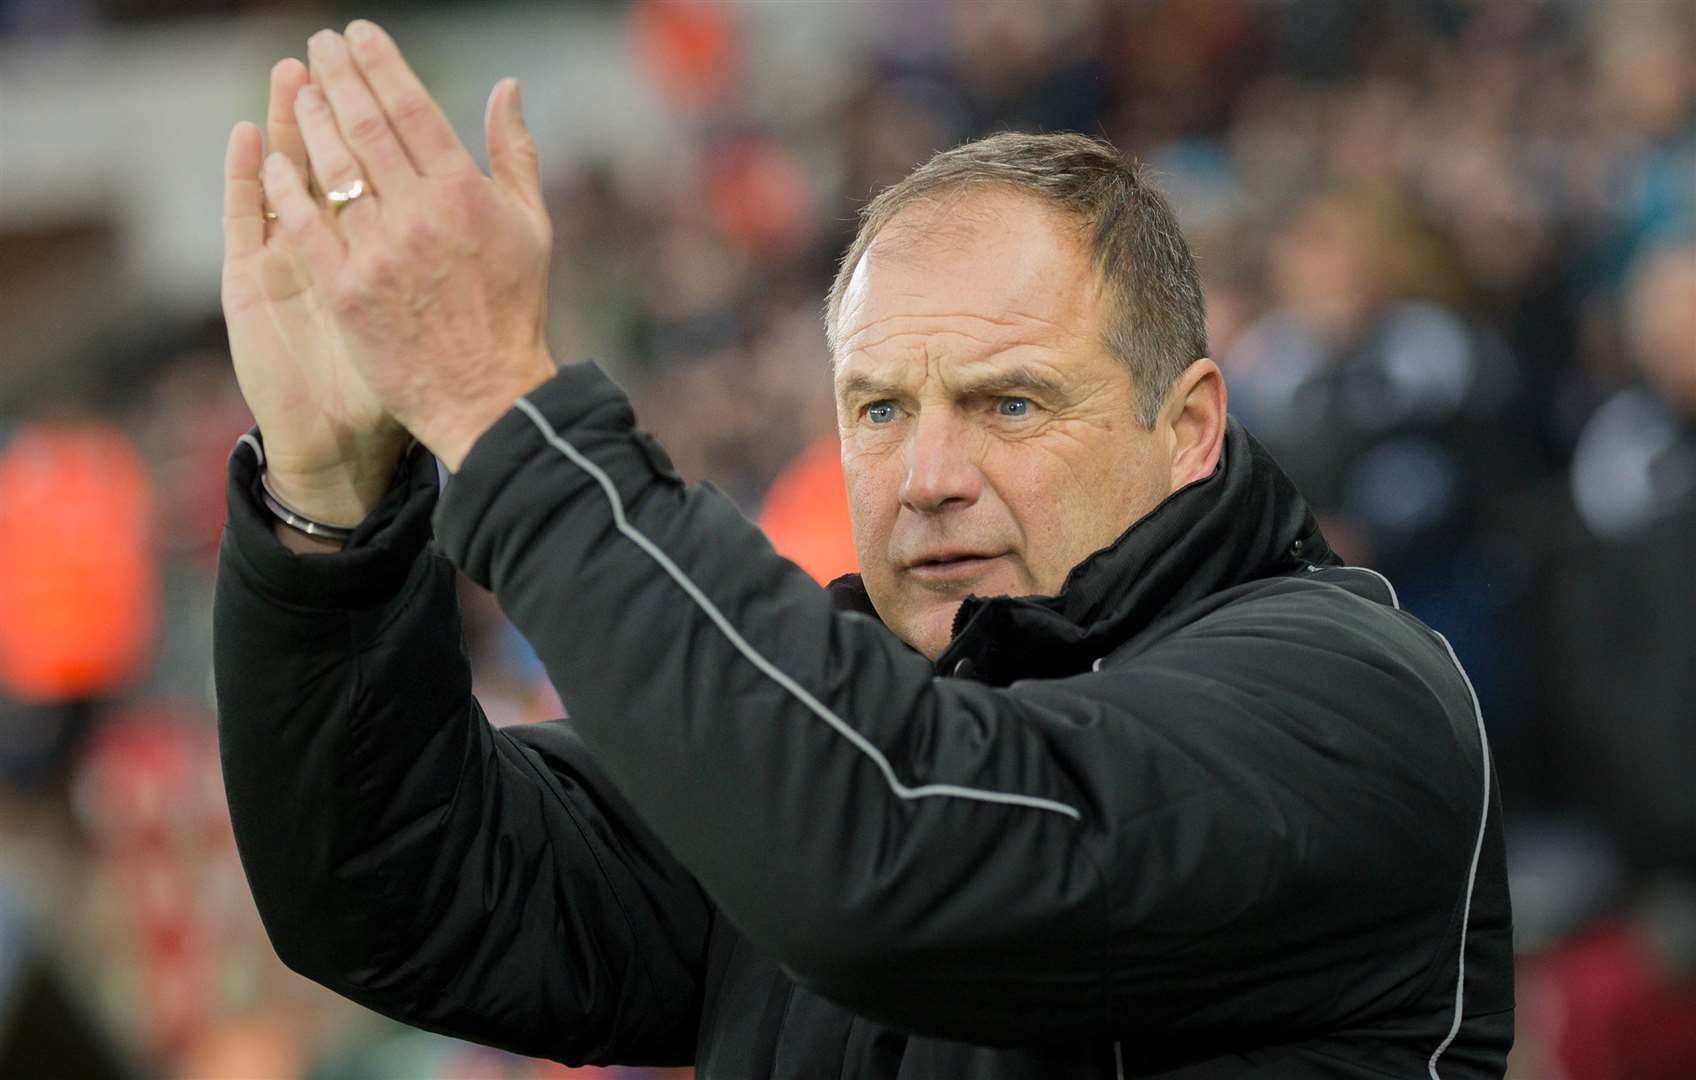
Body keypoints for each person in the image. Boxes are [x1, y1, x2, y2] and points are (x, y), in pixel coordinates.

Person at [214, 21, 1512, 1079]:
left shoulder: (1352, 702)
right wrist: (329, 502)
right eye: (880, 409)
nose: (931, 480)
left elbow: (899, 855)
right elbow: (393, 888)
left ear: (1188, 429)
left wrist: (502, 409)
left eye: (1010, 403)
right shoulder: (820, 740)